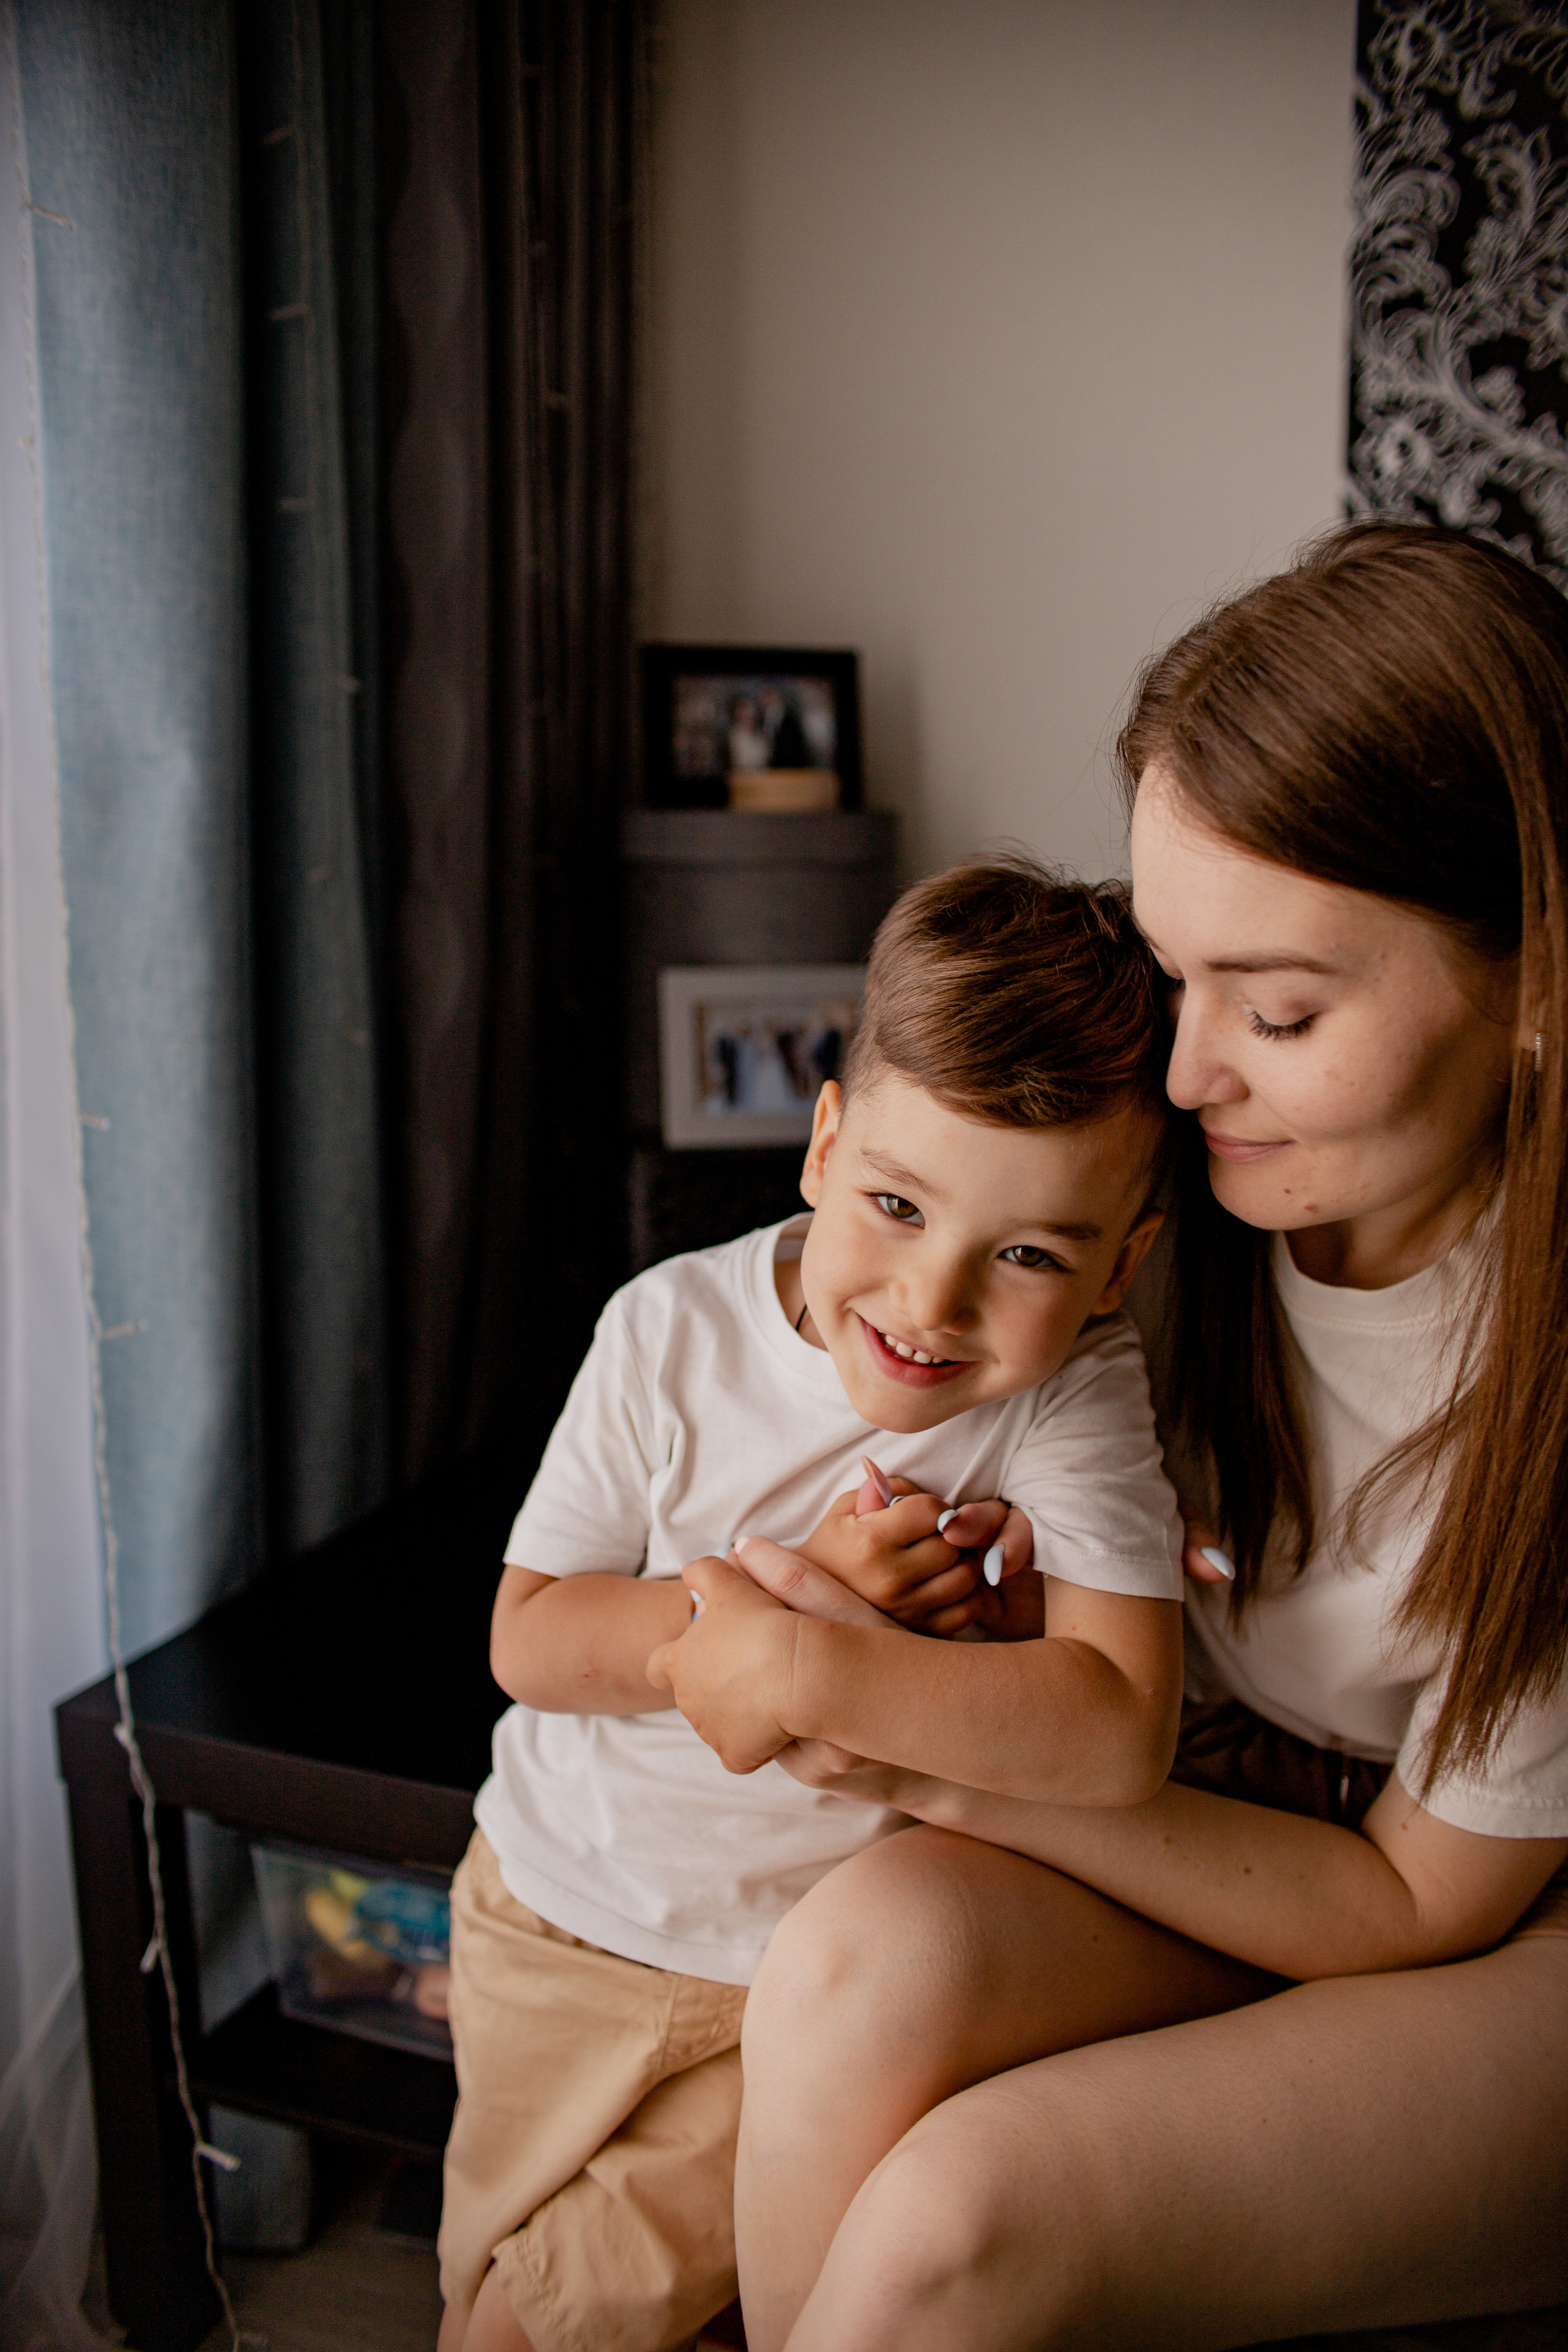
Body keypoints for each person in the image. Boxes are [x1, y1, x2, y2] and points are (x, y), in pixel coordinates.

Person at [654, 524, 1568, 2350]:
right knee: (845, 1966)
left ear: (1537, 982)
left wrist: (930, 1766)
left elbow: (1414, 1897)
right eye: (1177, 977)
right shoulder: (1173, 1214)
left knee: (959, 2226)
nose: (1183, 1070)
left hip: (1495, 1922)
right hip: (1239, 1804)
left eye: (1283, 1009)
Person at [437, 856, 1194, 2352]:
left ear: (1121, 1267)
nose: (931, 1302)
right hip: (554, 1908)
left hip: (795, 1985)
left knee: (524, 2327)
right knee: (481, 2270)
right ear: (822, 1143)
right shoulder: (666, 1331)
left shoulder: (1073, 1397)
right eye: (896, 1205)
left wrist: (816, 1670)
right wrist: (762, 1639)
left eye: (1028, 1253)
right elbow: (529, 1636)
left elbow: (1117, 1731)